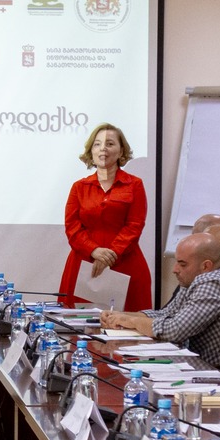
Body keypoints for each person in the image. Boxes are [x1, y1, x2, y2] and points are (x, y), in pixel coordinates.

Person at [100, 232, 220, 373]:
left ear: (206, 266)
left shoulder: (214, 283)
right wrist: (120, 316)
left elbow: (174, 330)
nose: (175, 269)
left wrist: (130, 321)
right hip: (212, 367)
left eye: (182, 264)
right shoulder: (197, 279)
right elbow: (166, 314)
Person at [59, 123, 152, 311]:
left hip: (125, 263)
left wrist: (110, 255)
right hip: (84, 263)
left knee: (127, 323)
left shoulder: (134, 184)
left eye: (110, 144)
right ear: (91, 151)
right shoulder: (79, 187)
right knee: (79, 322)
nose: (103, 149)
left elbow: (134, 225)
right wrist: (93, 250)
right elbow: (72, 227)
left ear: (121, 151)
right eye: (97, 144)